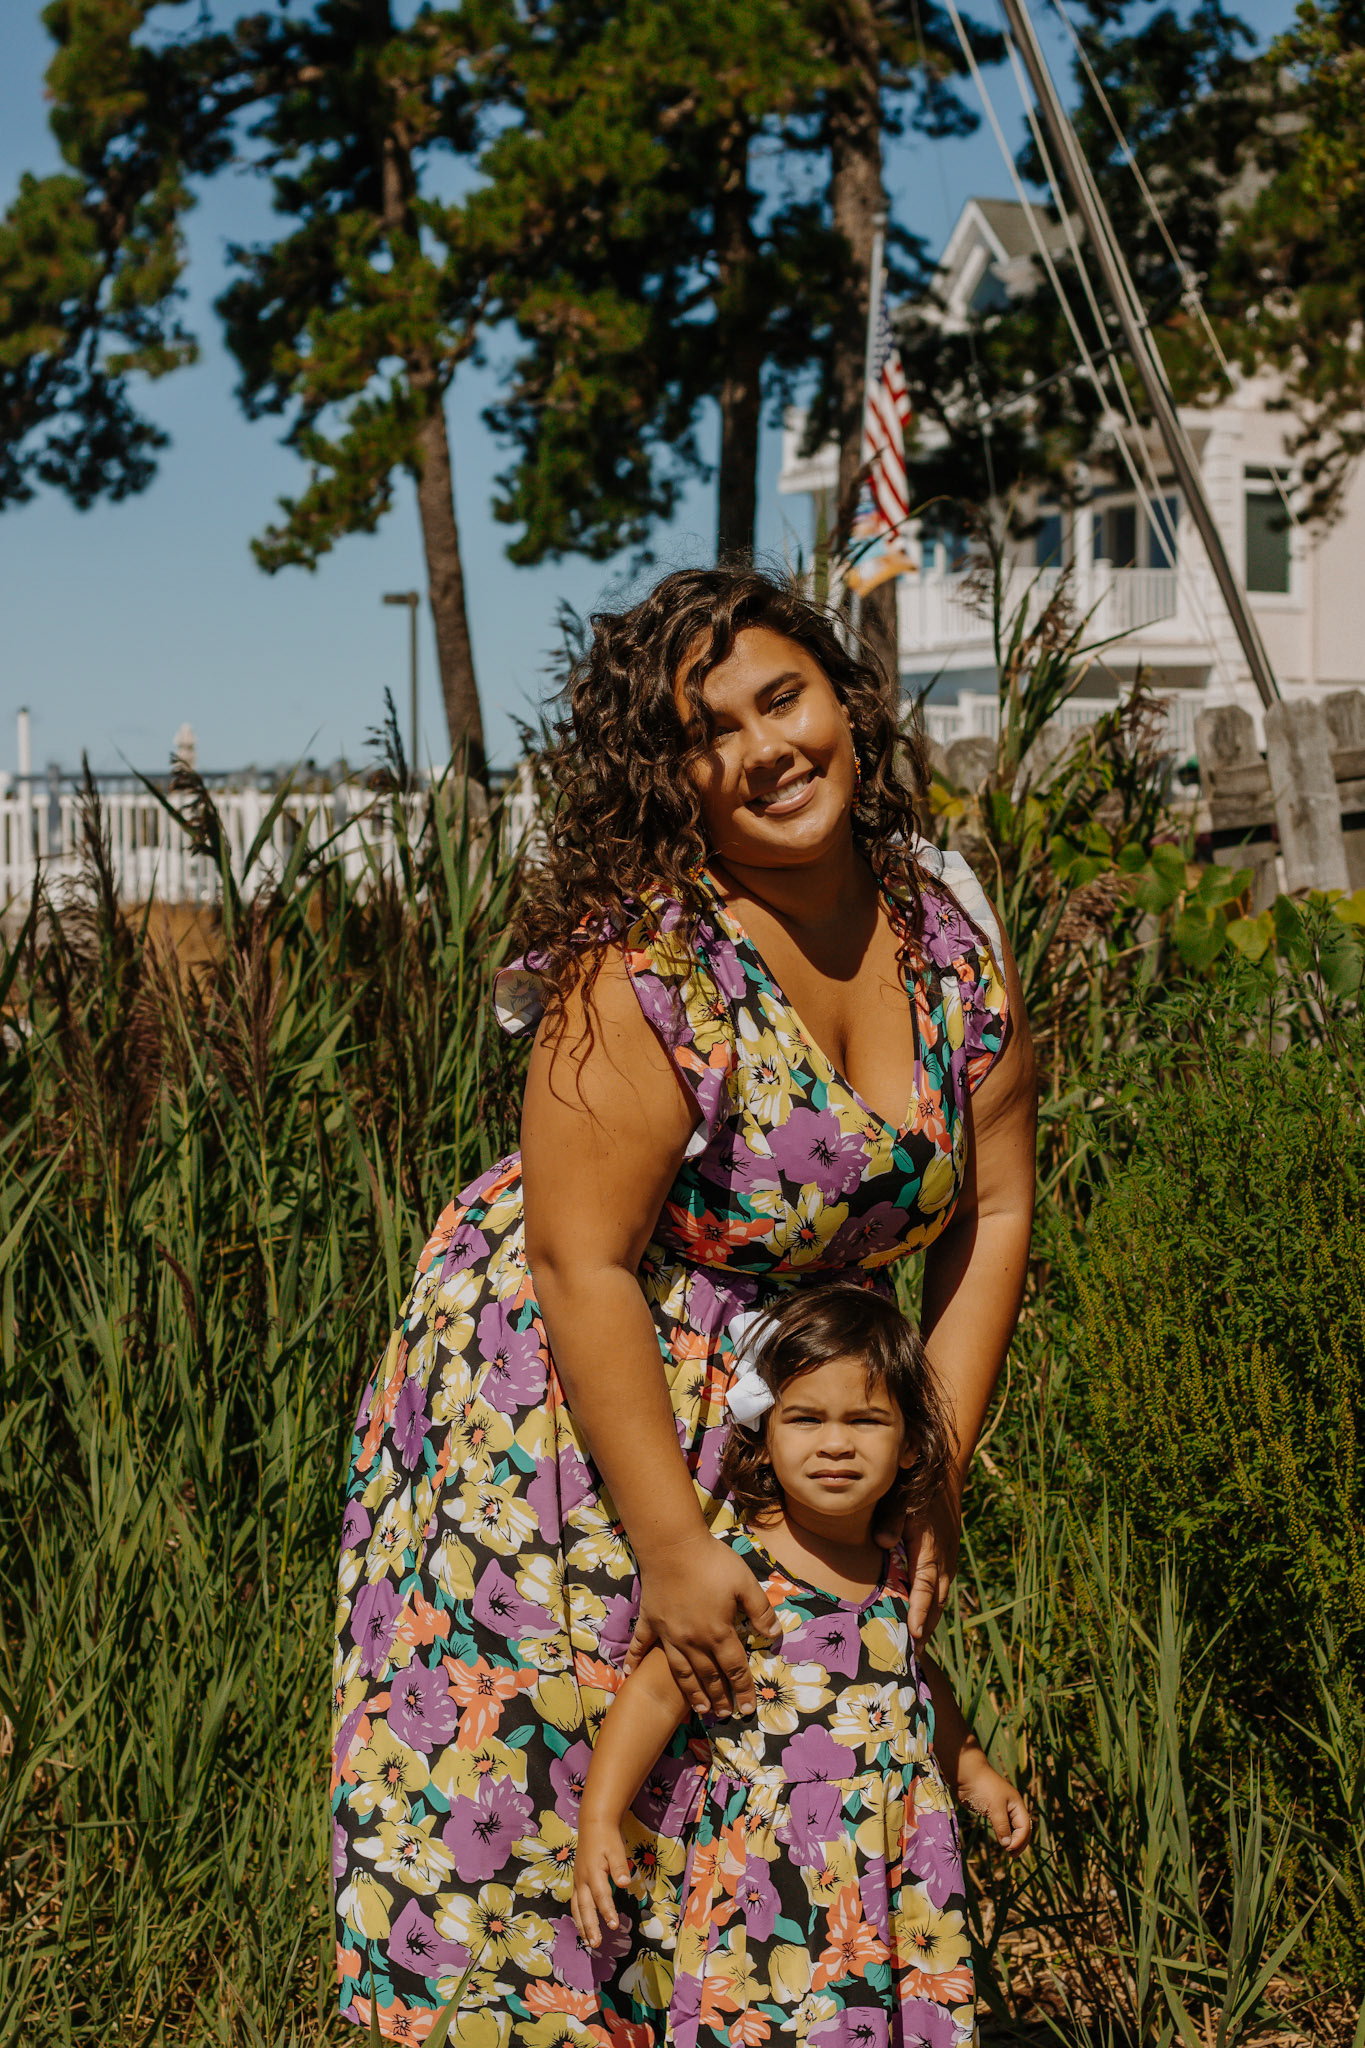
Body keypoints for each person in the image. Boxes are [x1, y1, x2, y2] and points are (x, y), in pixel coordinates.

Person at [330, 565, 1036, 2041]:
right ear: (669, 780)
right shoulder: (645, 962)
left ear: (844, 699)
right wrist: (667, 1539)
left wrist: (933, 1472)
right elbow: (578, 1261)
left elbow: (994, 1209)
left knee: (769, 1791)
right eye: (708, 734)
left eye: (783, 698)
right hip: (576, 1400)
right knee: (555, 1791)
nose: (765, 750)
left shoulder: (946, 929)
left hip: (802, 1388)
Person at [571, 1285, 1031, 2048]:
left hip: (894, 1862)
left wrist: (971, 1767)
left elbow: (911, 1679)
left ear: (910, 1443)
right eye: (806, 1419)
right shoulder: (733, 1576)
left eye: (865, 1420)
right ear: (763, 1434)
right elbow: (652, 1699)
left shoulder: (896, 1566)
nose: (835, 1444)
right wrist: (598, 1818)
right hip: (772, 1880)